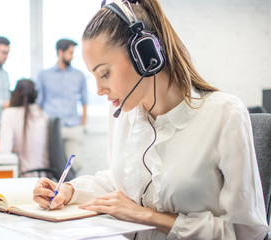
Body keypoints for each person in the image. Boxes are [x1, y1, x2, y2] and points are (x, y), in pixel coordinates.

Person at [33, 0, 268, 239]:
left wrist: (148, 216)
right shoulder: (125, 113)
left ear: (146, 56)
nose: (99, 90)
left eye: (105, 73)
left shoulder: (225, 114)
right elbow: (118, 182)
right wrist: (70, 190)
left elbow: (246, 231)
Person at [36, 39, 87, 172]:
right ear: (60, 52)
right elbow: (38, 103)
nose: (72, 56)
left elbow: (84, 101)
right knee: (51, 166)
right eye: (70, 52)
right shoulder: (44, 75)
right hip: (52, 128)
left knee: (76, 164)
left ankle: (68, 190)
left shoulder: (79, 75)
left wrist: (82, 125)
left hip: (73, 126)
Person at [0, 78, 49, 177]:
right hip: (46, 177)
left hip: (26, 177)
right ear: (35, 95)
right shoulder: (42, 114)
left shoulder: (9, 113)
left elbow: (4, 150)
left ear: (13, 95)